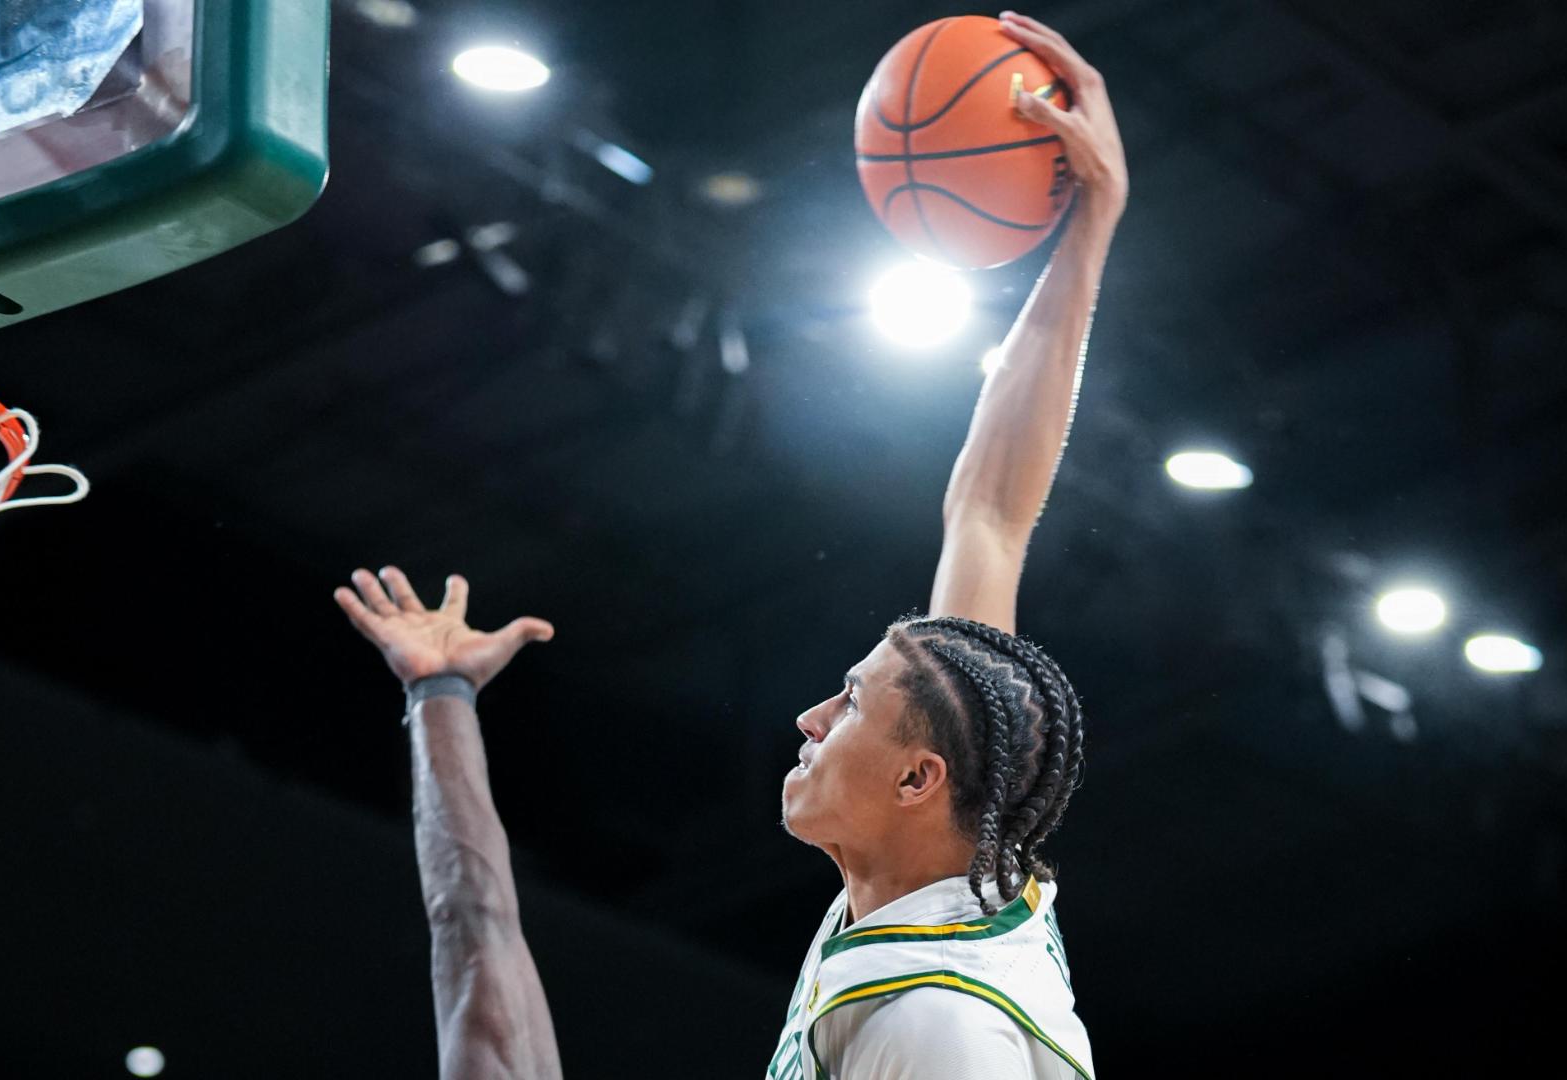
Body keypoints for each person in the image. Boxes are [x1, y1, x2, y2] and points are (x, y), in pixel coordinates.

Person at [332, 12, 1125, 1078]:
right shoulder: (949, 904)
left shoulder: (944, 1027)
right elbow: (989, 507)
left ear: (915, 779)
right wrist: (1089, 233)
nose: (810, 717)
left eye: (847, 703)